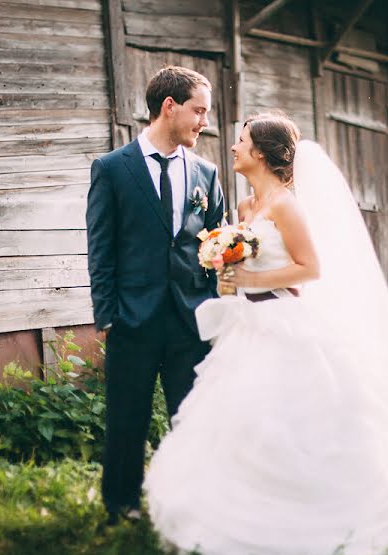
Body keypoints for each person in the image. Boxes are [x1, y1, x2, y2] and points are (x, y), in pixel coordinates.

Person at [143, 112, 388, 555]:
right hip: (247, 325)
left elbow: (309, 269)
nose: (235, 147)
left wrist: (251, 277)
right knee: (240, 419)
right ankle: (244, 513)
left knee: (299, 423)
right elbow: (242, 263)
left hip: (285, 323)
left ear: (261, 152)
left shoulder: (286, 205)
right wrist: (228, 274)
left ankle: (332, 517)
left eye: (242, 141)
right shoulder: (245, 210)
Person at [86, 66, 226, 524]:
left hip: (190, 319)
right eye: (198, 110)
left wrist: (215, 306)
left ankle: (190, 503)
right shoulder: (112, 169)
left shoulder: (206, 172)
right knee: (128, 418)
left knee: (191, 417)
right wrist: (107, 314)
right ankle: (121, 504)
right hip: (132, 318)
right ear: (170, 107)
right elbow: (101, 247)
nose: (204, 121)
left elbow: (216, 241)